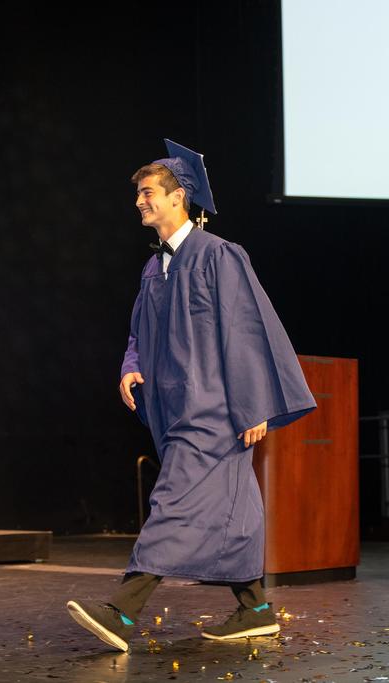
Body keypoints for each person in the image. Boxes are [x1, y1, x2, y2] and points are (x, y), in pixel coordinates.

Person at [66, 140, 316, 651]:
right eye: (139, 193)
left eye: (148, 192)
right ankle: (256, 609)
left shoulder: (217, 254)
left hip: (214, 409)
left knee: (174, 501)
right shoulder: (153, 268)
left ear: (178, 197)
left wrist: (253, 405)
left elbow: (245, 331)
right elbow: (138, 332)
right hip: (173, 407)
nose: (139, 201)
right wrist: (131, 367)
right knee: (232, 509)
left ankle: (123, 612)